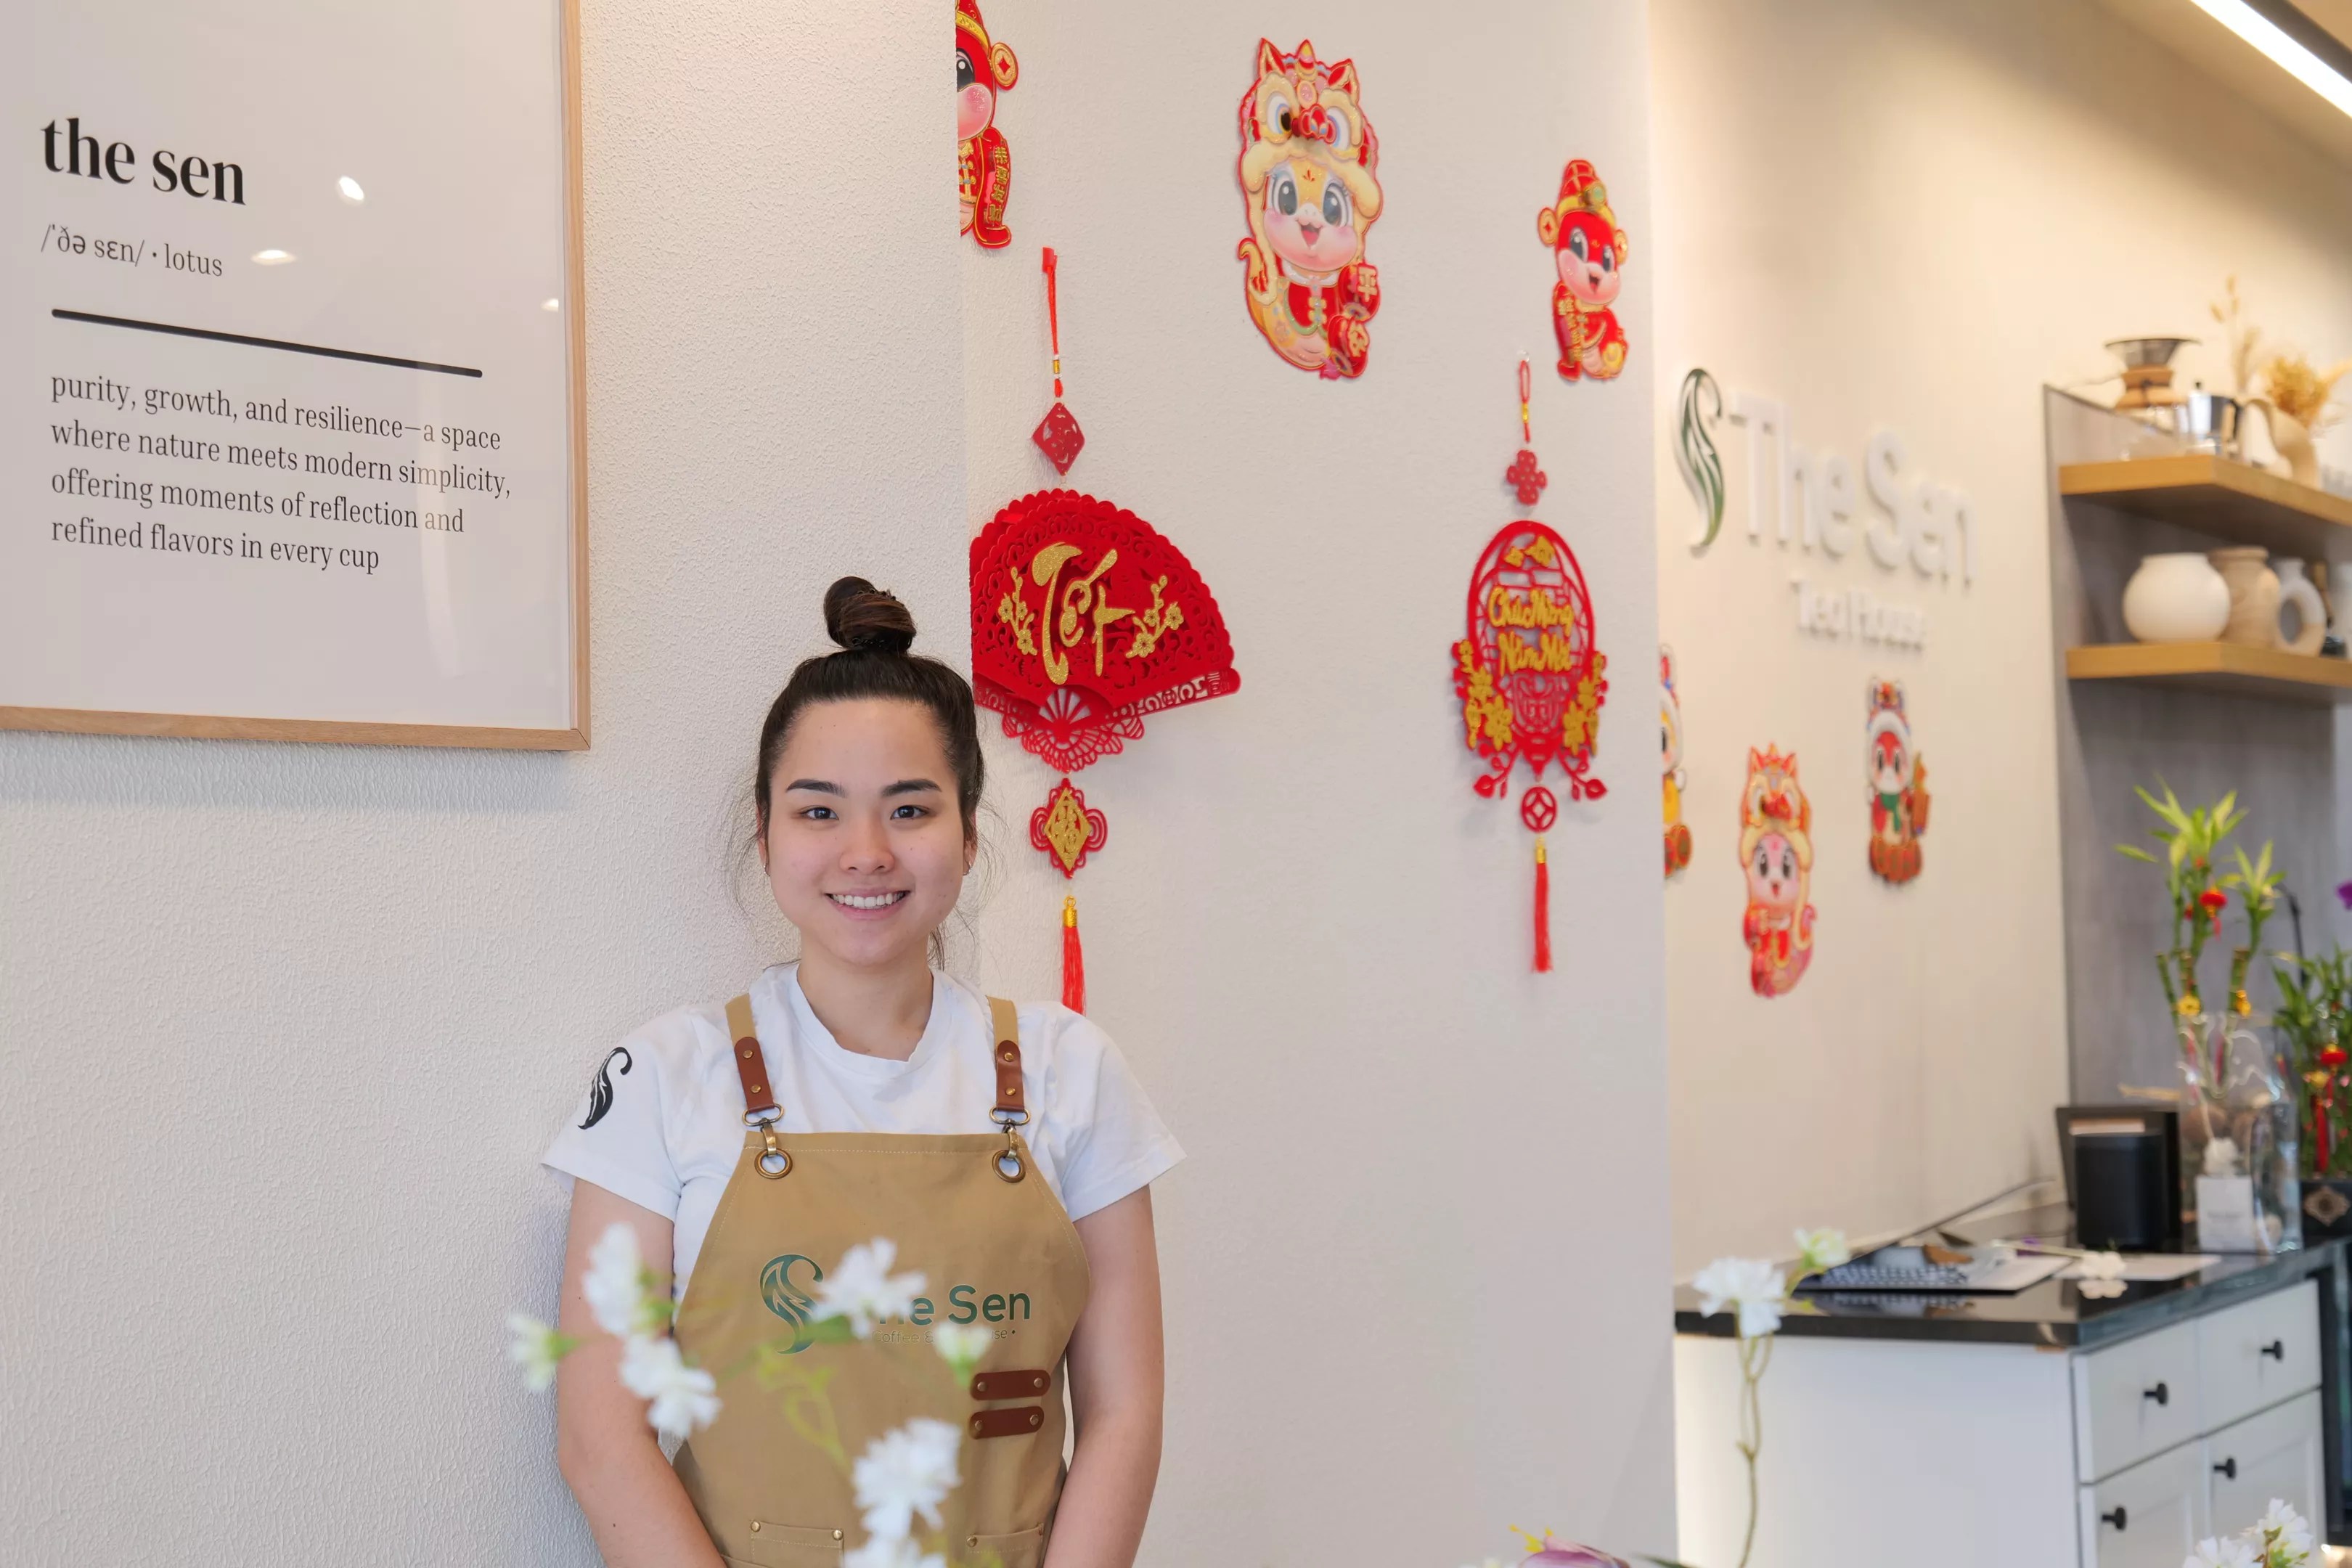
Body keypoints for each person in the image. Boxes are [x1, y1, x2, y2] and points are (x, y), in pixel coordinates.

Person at [544, 577, 1180, 1567]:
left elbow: (1125, 1414)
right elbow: (599, 1436)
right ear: (766, 838)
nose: (867, 852)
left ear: (969, 836)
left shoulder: (1070, 1071)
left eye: (911, 808)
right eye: (819, 811)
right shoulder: (666, 1077)